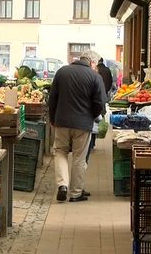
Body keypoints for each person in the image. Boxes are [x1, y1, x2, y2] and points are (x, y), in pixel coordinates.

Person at [49, 52, 107, 202]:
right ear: (92, 62)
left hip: (61, 121)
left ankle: (62, 185)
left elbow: (52, 97)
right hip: (83, 124)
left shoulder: (62, 72)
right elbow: (100, 103)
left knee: (60, 152)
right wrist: (92, 116)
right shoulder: (95, 77)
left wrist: (52, 118)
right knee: (79, 157)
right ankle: (75, 193)